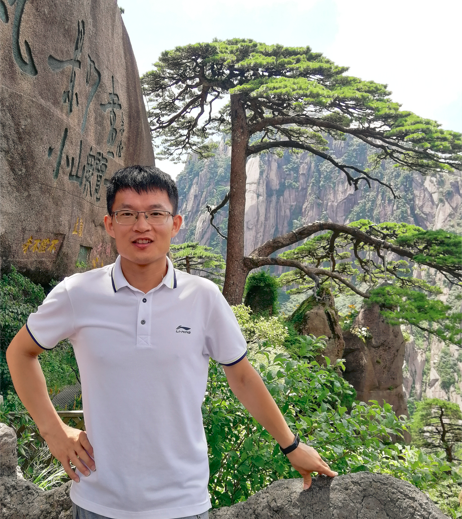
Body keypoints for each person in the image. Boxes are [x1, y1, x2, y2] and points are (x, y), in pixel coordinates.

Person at [6, 165, 337, 519]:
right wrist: (54, 431)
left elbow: (242, 377)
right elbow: (20, 352)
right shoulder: (78, 293)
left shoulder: (204, 297)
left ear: (175, 224)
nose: (142, 226)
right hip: (97, 501)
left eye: (155, 214)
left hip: (183, 503)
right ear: (109, 224)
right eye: (127, 214)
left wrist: (291, 445)